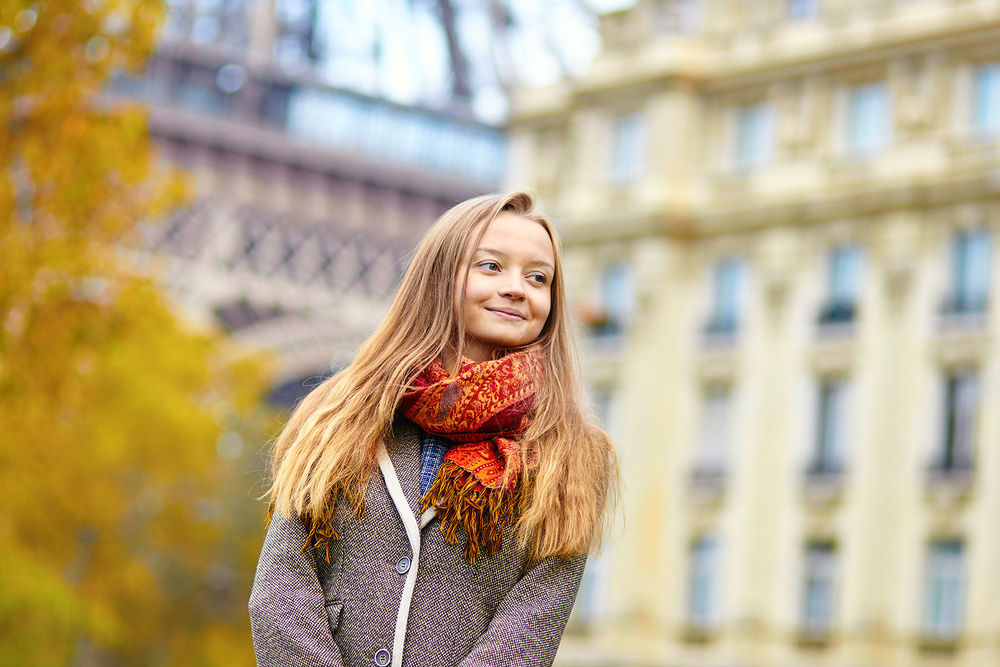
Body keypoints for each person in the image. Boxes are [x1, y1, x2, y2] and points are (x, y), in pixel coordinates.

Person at [249, 190, 619, 667]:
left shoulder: (572, 456)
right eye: (491, 266)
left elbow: (529, 631)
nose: (516, 288)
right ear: (440, 276)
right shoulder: (339, 414)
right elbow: (281, 594)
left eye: (538, 278)